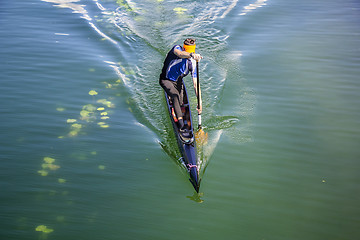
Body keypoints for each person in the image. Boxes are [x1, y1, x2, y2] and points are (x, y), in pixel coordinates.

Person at [159, 38, 202, 140]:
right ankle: (181, 125)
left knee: (181, 103)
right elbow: (180, 54)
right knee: (175, 96)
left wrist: (200, 102)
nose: (191, 54)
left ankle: (177, 110)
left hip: (178, 81)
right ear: (184, 48)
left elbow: (196, 85)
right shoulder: (176, 49)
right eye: (189, 52)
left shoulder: (192, 63)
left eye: (192, 52)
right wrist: (190, 55)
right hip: (166, 79)